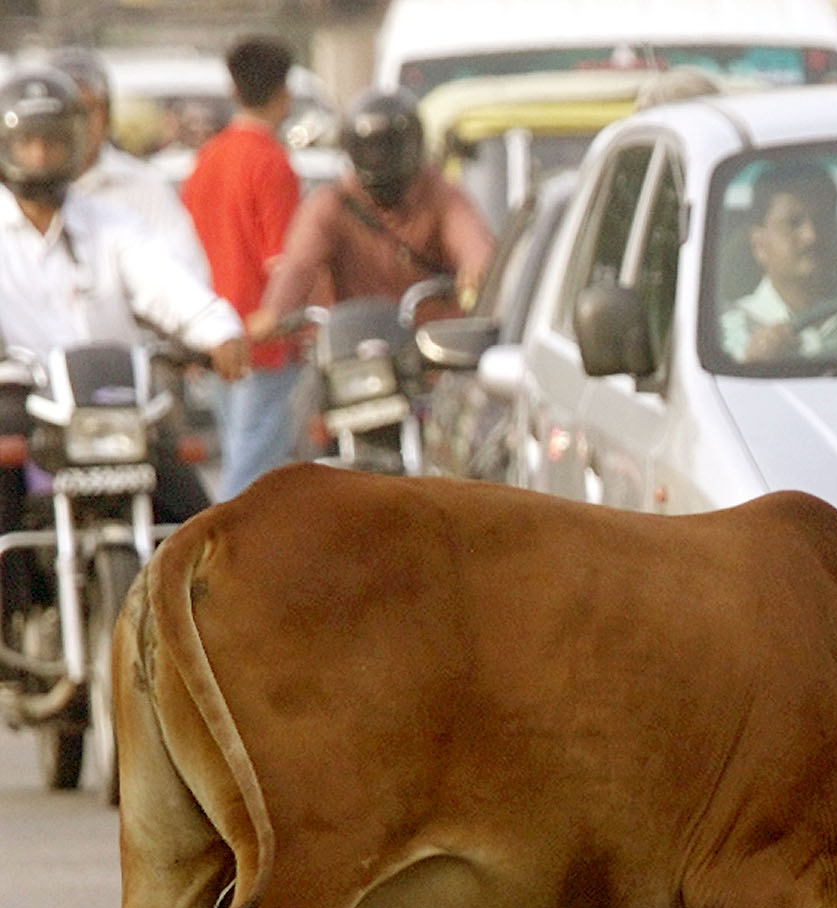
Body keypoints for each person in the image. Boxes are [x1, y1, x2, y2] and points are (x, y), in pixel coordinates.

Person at [0, 68, 248, 614]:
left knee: (204, 533)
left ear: (76, 144)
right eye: (29, 141)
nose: (41, 155)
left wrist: (218, 329)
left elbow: (166, 284)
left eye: (54, 141)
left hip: (114, 406)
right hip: (21, 407)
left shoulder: (110, 224)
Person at [251, 87, 494, 337]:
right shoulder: (334, 203)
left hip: (430, 351)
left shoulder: (439, 194)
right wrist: (276, 312)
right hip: (354, 349)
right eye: (371, 150)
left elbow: (471, 240)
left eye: (389, 148)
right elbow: (299, 264)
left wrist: (476, 269)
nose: (380, 159)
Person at [181, 35, 305, 500]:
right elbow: (283, 261)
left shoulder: (206, 160)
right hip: (263, 339)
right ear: (283, 92)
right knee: (253, 471)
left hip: (215, 335)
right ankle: (225, 561)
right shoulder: (272, 163)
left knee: (239, 453)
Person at [44, 49, 210, 282]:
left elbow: (187, 276)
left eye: (89, 109)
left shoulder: (145, 187)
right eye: (69, 111)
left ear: (106, 113)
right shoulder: (19, 192)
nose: (78, 123)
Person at [720, 158, 837, 363]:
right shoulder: (726, 336)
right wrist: (752, 364)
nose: (812, 236)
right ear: (759, 244)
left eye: (823, 220)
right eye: (792, 223)